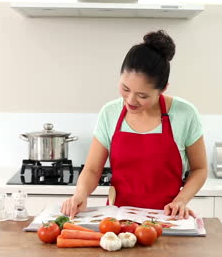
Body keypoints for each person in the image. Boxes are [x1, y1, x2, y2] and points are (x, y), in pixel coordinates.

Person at [61, 30, 208, 220]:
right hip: (117, 221)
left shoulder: (185, 114)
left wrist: (181, 200)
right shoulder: (110, 113)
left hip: (167, 218)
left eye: (143, 95)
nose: (131, 100)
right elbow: (92, 169)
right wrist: (80, 193)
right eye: (125, 88)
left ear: (162, 89)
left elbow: (200, 169)